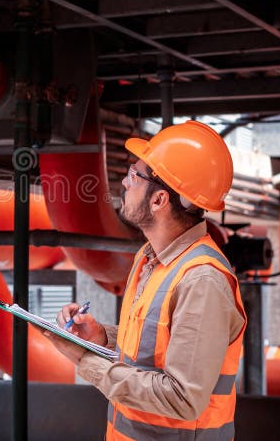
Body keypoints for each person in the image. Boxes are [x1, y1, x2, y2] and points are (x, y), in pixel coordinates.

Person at [43, 120, 247, 440]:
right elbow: (155, 347)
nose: (124, 183)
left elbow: (182, 398)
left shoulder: (201, 281)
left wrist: (86, 361)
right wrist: (101, 338)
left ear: (159, 201)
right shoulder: (150, 258)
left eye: (134, 175)